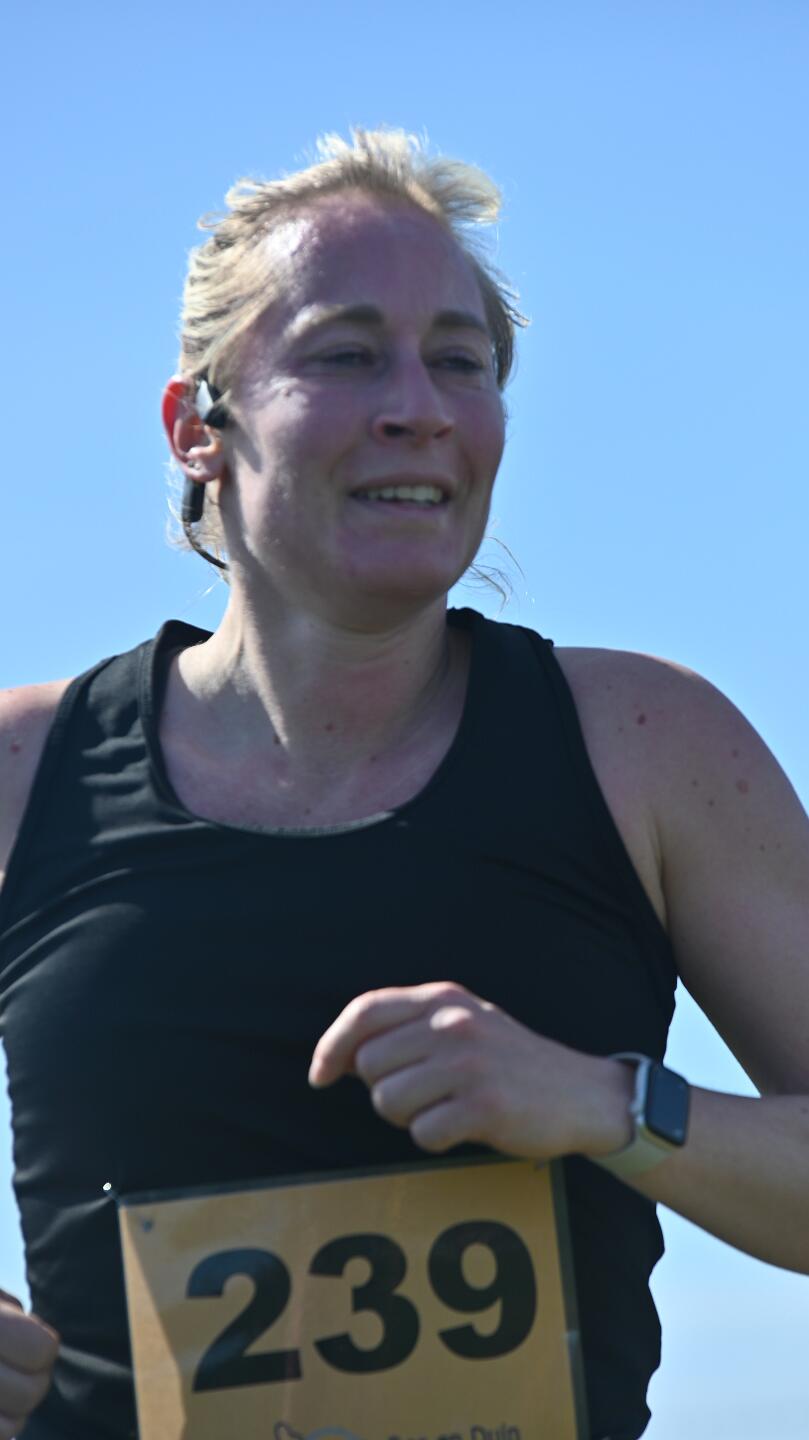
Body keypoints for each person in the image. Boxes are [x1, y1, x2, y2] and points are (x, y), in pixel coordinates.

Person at [0, 126, 807, 1440]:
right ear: (197, 428)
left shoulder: (650, 742)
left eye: (460, 361)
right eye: (344, 353)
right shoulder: (22, 770)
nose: (418, 406)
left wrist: (609, 1106)